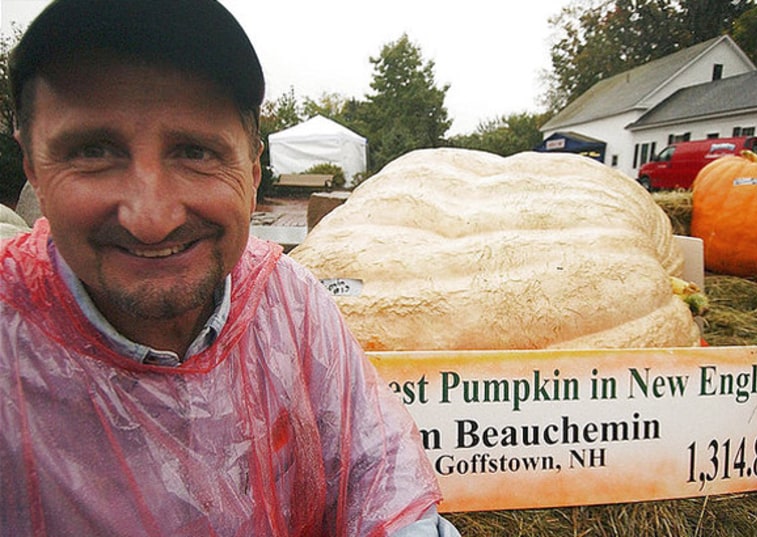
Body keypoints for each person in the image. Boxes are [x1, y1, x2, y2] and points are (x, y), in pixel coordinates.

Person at [0, 1, 460, 535]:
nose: (152, 220)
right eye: (93, 150)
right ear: (32, 166)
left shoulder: (292, 304)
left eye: (194, 152)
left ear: (253, 167)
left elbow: (383, 487)